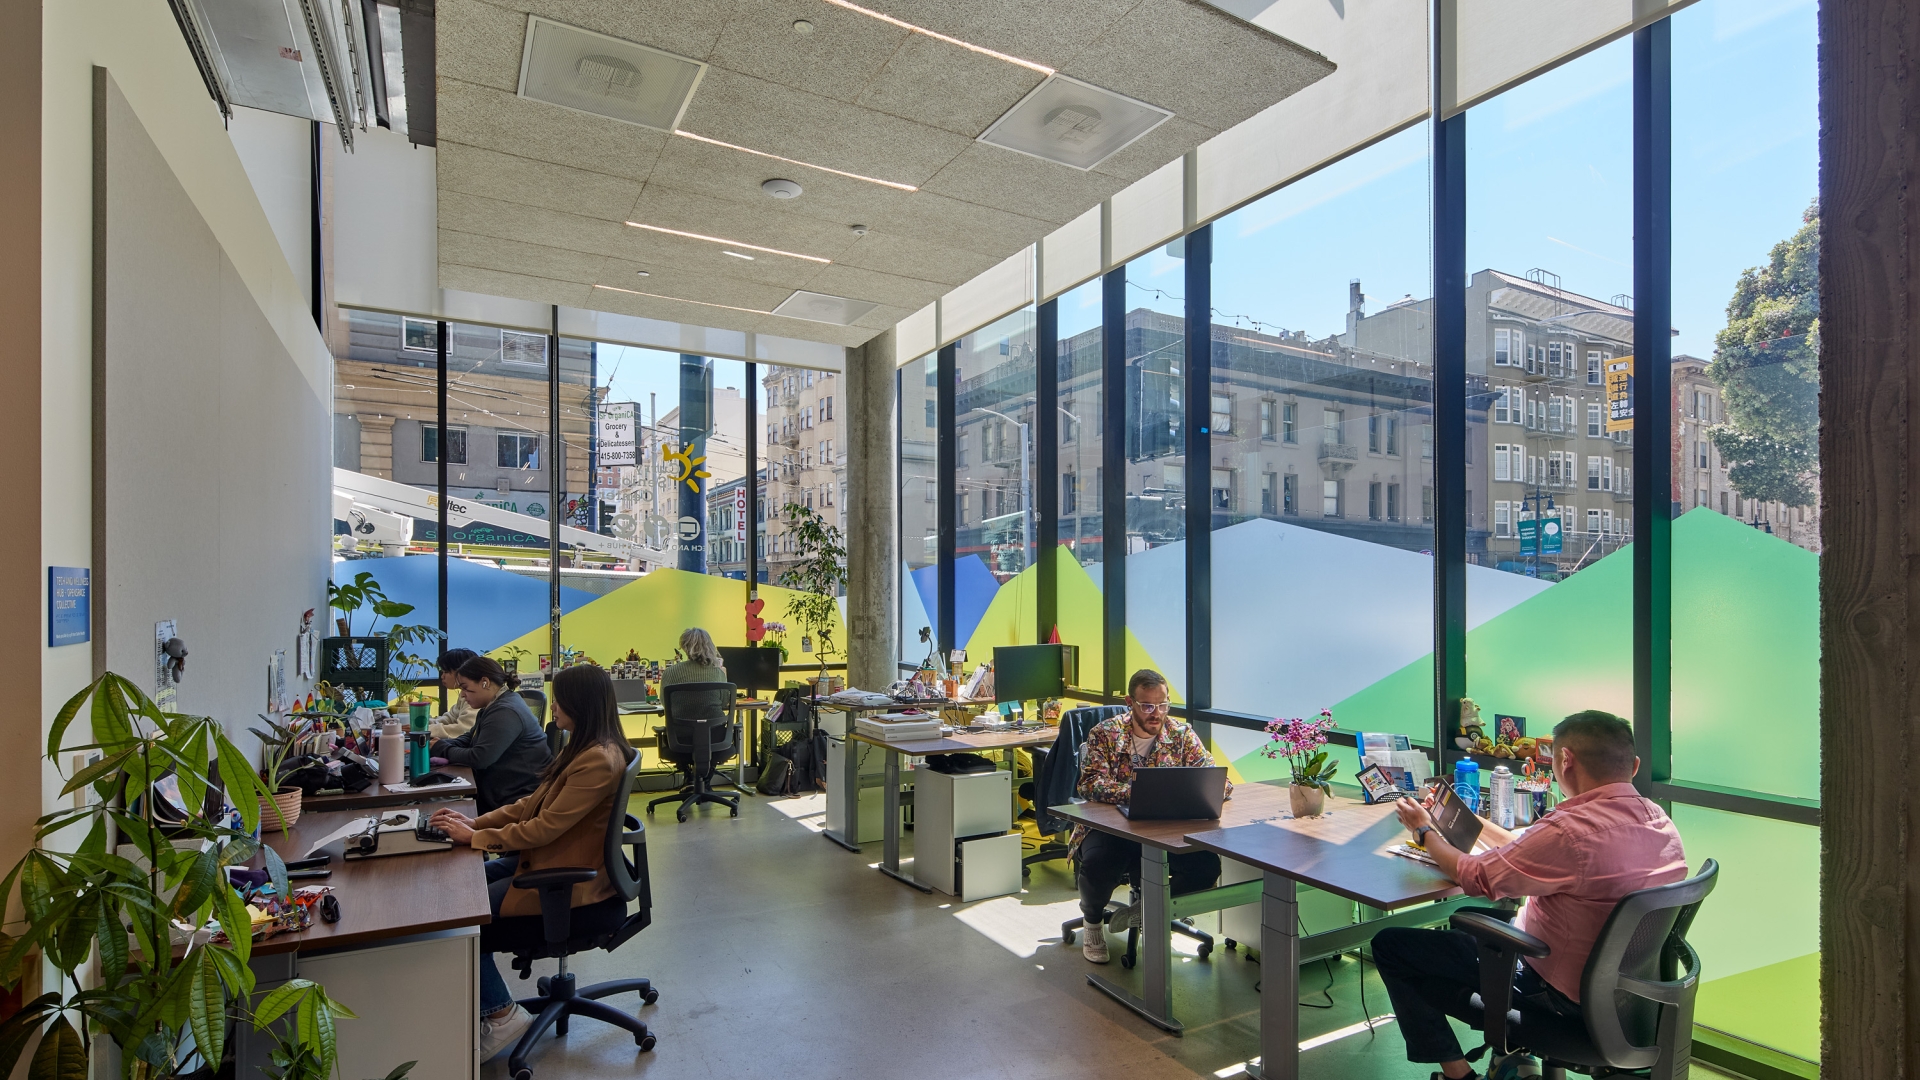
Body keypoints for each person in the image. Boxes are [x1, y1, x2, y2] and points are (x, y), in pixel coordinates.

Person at [1374, 710, 1688, 1080]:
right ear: (1633, 766)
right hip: (1626, 995)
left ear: (1565, 761)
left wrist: (1424, 831)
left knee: (1393, 947)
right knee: (1476, 929)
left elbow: (1476, 877)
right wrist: (1460, 822)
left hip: (1552, 993)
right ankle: (1511, 1062)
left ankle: (1460, 1076)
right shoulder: (1658, 821)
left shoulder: (1569, 831)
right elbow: (1526, 848)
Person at [427, 664, 635, 1061]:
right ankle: (492, 1008)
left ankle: (502, 1016)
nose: (553, 706)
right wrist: (476, 823)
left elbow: (542, 829)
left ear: (582, 704)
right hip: (547, 862)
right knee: (459, 888)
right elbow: (530, 805)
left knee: (465, 918)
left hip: (570, 883)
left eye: (560, 699)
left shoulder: (597, 759)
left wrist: (476, 839)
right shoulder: (585, 747)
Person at [1071, 668, 1225, 965]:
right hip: (1113, 828)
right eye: (1147, 705)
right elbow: (1090, 783)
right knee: (1098, 863)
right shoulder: (1104, 733)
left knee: (1206, 866)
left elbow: (1213, 775)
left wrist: (1212, 788)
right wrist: (1135, 792)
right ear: (1130, 701)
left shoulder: (1181, 734)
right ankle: (1092, 924)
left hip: (1167, 829)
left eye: (1163, 704)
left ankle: (1147, 909)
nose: (1157, 713)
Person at [431, 656, 551, 815]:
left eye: (465, 688)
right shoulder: (494, 705)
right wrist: (441, 745)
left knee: (436, 811)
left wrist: (442, 748)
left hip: (517, 798)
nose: (462, 695)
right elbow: (470, 738)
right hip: (503, 790)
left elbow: (480, 758)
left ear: (485, 682)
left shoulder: (505, 711)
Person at [428, 648, 479, 740]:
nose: (442, 676)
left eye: (446, 672)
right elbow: (450, 718)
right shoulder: (464, 693)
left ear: (462, 671)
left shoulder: (475, 696)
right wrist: (423, 725)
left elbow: (462, 729)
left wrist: (426, 730)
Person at [660, 627, 726, 688]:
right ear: (710, 646)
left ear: (684, 647)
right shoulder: (719, 674)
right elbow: (725, 699)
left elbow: (664, 700)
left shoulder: (670, 673)